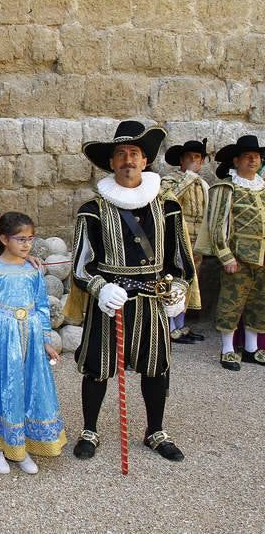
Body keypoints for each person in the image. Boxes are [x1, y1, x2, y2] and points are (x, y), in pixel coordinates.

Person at [71, 120, 194, 463]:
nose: (127, 159)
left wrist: (178, 290)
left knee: (157, 366)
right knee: (97, 366)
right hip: (110, 301)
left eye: (134, 153)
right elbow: (81, 264)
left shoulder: (168, 207)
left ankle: (155, 430)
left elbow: (180, 258)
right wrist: (100, 287)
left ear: (145, 160)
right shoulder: (92, 210)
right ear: (111, 162)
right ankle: (90, 429)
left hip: (153, 300)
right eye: (121, 154)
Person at [0, 212, 66, 474]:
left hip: (28, 334)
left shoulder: (33, 270)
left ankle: (21, 445)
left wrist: (45, 340)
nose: (27, 244)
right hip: (2, 336)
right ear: (4, 239)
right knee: (1, 385)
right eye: (20, 239)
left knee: (26, 388)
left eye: (30, 239)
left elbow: (41, 306)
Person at [196, 135, 265, 370]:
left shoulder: (263, 187)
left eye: (256, 157)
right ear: (236, 161)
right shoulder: (226, 187)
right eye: (248, 157)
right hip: (238, 257)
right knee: (231, 302)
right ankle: (227, 349)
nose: (253, 160)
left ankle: (251, 350)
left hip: (263, 257)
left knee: (259, 303)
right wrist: (226, 256)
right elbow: (216, 225)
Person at [160, 139, 208, 344]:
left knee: (191, 283)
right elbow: (166, 199)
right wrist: (188, 177)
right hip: (178, 237)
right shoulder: (170, 180)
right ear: (181, 159)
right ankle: (169, 326)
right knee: (175, 280)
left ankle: (180, 324)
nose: (193, 161)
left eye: (197, 157)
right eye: (189, 157)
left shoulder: (202, 184)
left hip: (197, 241)